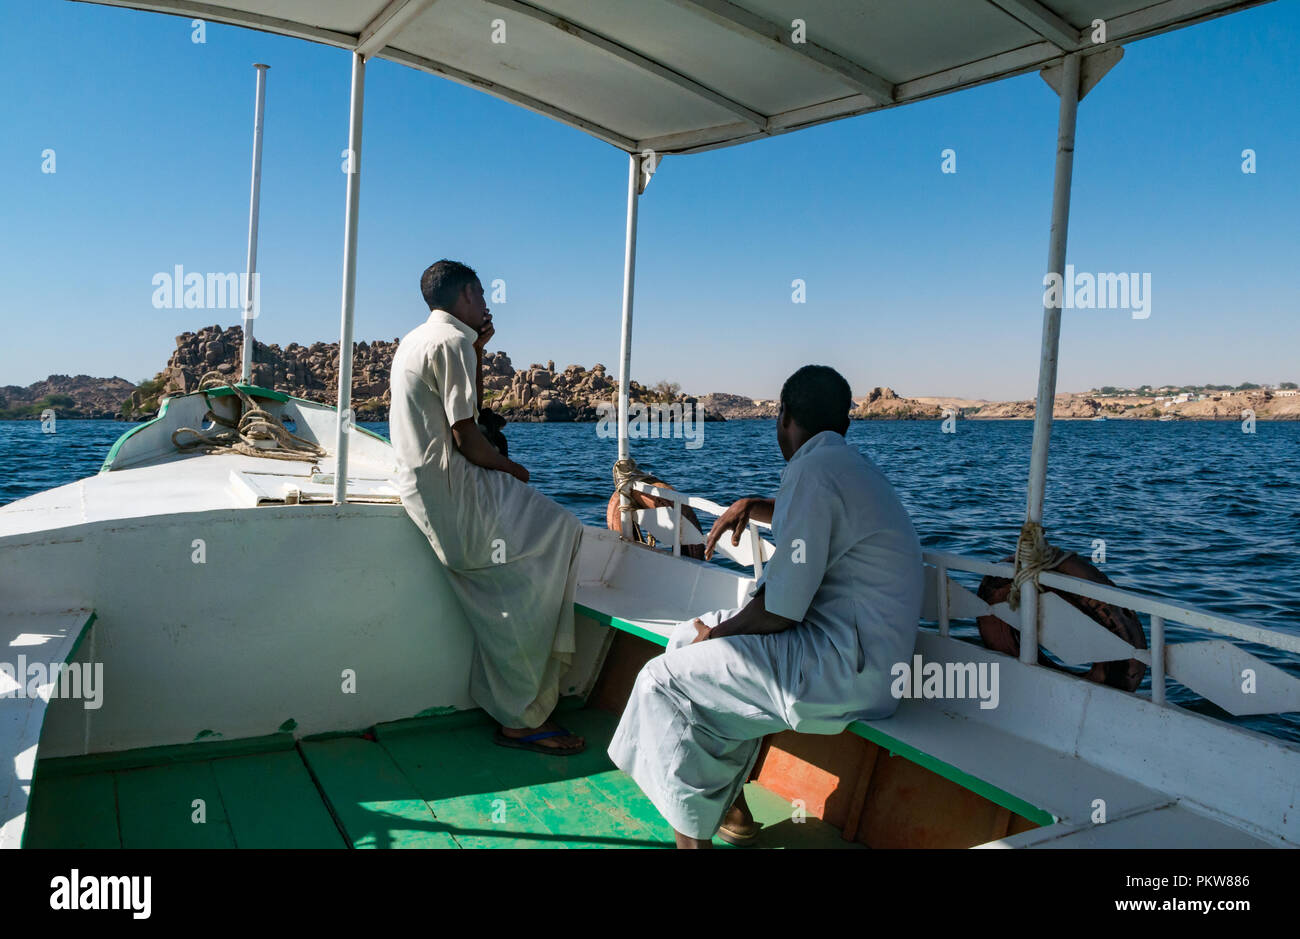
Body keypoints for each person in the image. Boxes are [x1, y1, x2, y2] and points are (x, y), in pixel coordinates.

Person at [607, 365, 923, 846]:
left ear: (784, 417)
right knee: (681, 638)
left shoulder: (812, 471)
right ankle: (731, 808)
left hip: (839, 671)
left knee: (660, 682)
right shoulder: (847, 467)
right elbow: (822, 523)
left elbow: (779, 612)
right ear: (845, 423)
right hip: (868, 662)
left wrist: (717, 636)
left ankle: (692, 842)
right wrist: (760, 504)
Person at [389, 260, 586, 754]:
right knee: (562, 530)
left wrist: (478, 348)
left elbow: (461, 412)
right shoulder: (452, 342)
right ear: (467, 295)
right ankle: (521, 716)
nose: (486, 303)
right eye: (480, 294)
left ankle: (515, 701)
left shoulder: (419, 340)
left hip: (426, 487)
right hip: (457, 489)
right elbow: (467, 435)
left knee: (527, 564)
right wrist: (514, 471)